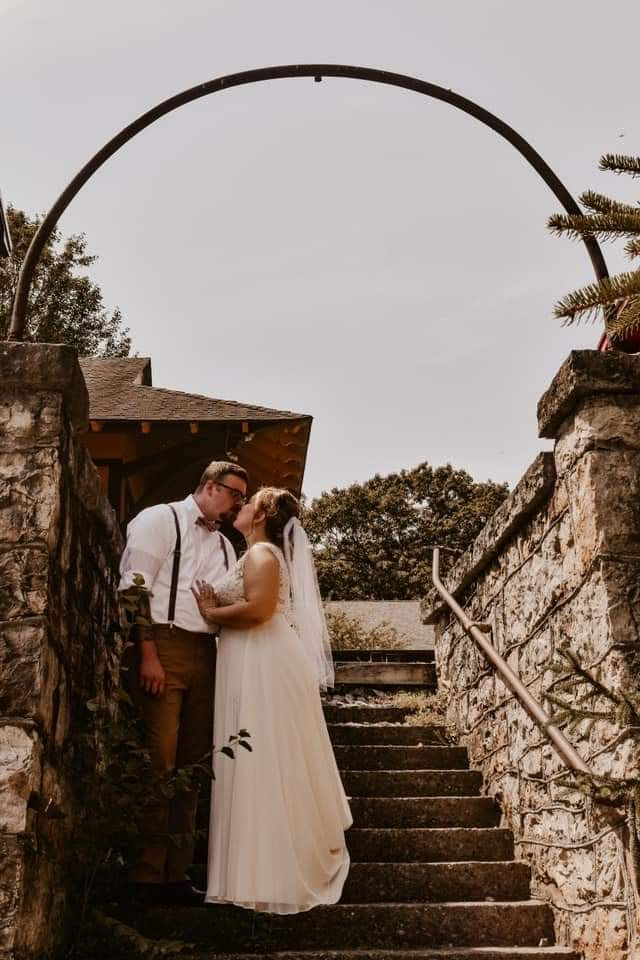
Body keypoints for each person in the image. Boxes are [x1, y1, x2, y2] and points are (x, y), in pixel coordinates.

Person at [192, 487, 352, 914]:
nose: (240, 507)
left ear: (260, 514)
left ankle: (267, 871)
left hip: (262, 656)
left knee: (261, 760)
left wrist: (212, 613)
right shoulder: (257, 554)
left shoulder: (263, 556)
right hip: (252, 655)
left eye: (247, 503)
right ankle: (251, 870)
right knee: (255, 759)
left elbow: (260, 610)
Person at [118, 461, 248, 904]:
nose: (239, 504)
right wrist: (148, 653)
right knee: (159, 760)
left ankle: (176, 873)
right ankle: (144, 874)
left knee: (194, 766)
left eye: (244, 499)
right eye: (235, 495)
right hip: (165, 646)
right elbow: (134, 589)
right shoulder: (160, 519)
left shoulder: (229, 547)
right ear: (210, 487)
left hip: (209, 654)